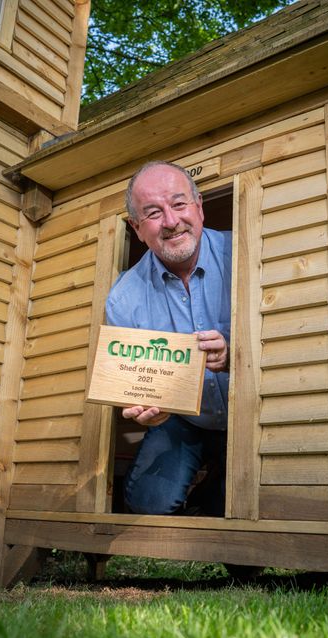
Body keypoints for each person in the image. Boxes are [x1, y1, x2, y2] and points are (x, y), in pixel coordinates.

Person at [105, 161, 231, 517]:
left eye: (179, 204)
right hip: (183, 419)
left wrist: (235, 355)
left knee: (242, 509)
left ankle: (213, 490)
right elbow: (135, 387)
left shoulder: (246, 251)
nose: (172, 221)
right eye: (153, 213)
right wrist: (149, 411)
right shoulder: (122, 300)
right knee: (148, 503)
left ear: (199, 207)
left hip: (253, 409)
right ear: (136, 228)